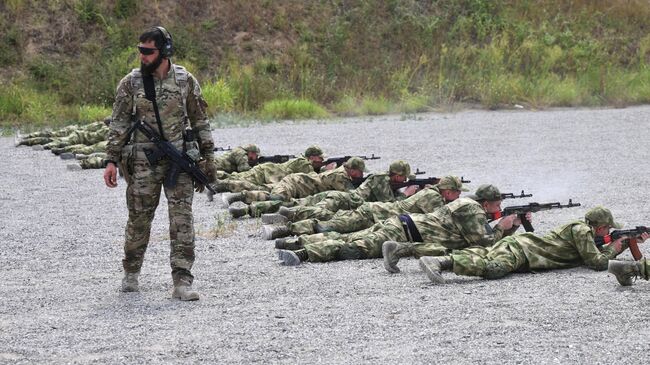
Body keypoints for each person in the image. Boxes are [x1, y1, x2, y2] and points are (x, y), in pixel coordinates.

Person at [103, 26, 215, 301]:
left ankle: (182, 280)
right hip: (143, 161)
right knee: (139, 218)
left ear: (163, 51)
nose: (141, 56)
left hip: (180, 159)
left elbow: (200, 119)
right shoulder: (131, 83)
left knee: (182, 220)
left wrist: (208, 157)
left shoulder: (185, 80)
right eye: (140, 50)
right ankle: (131, 273)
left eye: (147, 51)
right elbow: (118, 123)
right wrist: (111, 160)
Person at [277, 184, 521, 266]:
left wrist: (504, 224)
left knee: (348, 238)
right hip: (403, 231)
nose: (497, 208)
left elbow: (467, 231)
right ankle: (303, 254)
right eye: (496, 204)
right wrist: (505, 226)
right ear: (487, 202)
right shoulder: (473, 209)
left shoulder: (466, 204)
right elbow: (483, 243)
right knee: (355, 248)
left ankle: (294, 240)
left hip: (402, 224)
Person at [418, 206, 648, 284]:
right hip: (523, 249)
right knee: (494, 269)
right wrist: (617, 247)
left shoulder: (583, 229)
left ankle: (432, 255)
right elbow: (596, 262)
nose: (608, 233)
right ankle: (440, 262)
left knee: (485, 255)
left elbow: (594, 250)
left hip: (524, 249)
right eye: (608, 229)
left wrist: (626, 243)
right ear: (600, 226)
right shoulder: (581, 230)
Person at [262, 174, 465, 239]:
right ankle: (283, 228)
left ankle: (289, 216)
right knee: (328, 226)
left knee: (334, 222)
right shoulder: (432, 196)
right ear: (447, 191)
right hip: (373, 214)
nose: (458, 196)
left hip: (376, 215)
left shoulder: (431, 193)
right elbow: (441, 219)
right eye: (457, 193)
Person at [249, 160, 418, 221]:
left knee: (296, 203)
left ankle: (254, 209)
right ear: (397, 175)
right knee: (316, 212)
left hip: (338, 196)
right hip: (344, 201)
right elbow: (389, 206)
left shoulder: (383, 180)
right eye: (404, 178)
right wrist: (406, 194)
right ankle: (287, 215)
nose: (405, 181)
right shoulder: (381, 180)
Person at [224, 156, 366, 210]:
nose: (362, 174)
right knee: (278, 199)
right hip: (295, 184)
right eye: (360, 172)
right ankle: (241, 198)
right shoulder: (340, 176)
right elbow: (352, 196)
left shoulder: (341, 172)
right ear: (352, 170)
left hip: (297, 185)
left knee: (266, 190)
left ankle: (239, 194)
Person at [210, 145, 325, 194]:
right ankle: (214, 179)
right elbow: (315, 180)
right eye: (320, 158)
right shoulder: (303, 163)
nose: (322, 159)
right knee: (239, 178)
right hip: (266, 173)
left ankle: (213, 178)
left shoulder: (302, 161)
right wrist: (326, 170)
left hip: (267, 172)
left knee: (238, 177)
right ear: (312, 157)